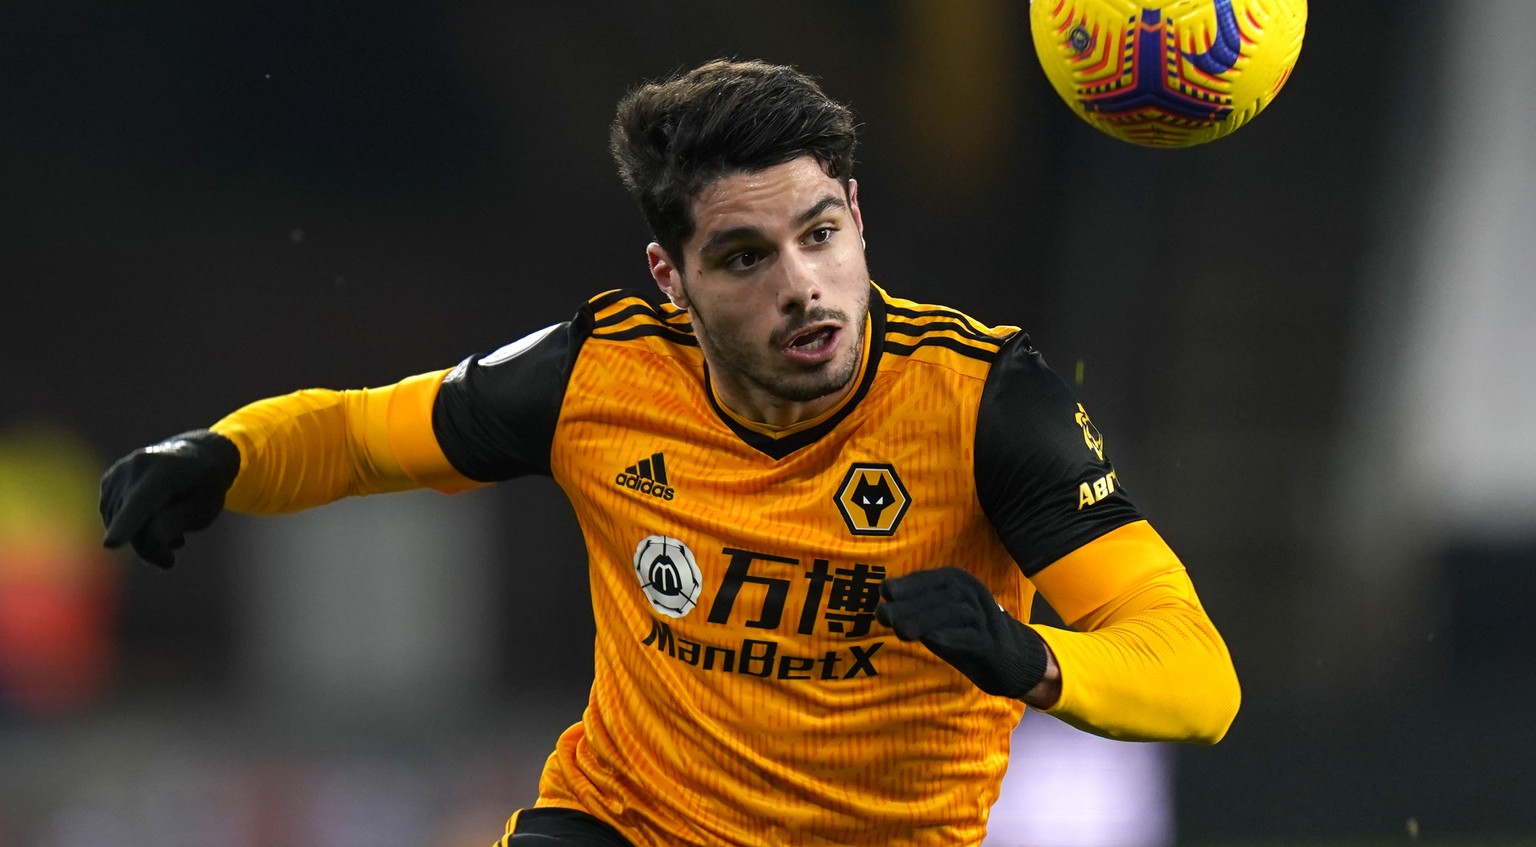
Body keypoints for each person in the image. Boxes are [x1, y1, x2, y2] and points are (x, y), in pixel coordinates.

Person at [99, 59, 1240, 847]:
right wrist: (219, 455)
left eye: (820, 234)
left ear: (854, 212)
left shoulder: (987, 402)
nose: (802, 287)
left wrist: (1033, 660)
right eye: (744, 257)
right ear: (672, 278)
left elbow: (1197, 675)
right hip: (627, 821)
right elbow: (359, 435)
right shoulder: (599, 377)